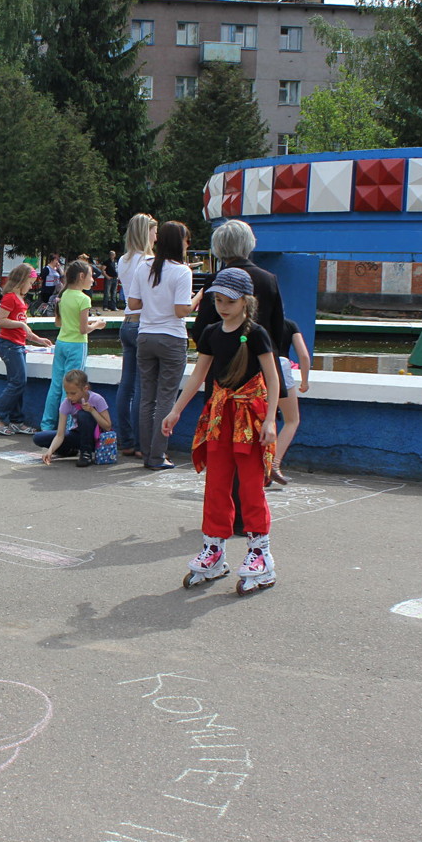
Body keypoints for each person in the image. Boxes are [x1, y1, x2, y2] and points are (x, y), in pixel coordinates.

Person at [161, 268, 280, 595]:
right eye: (218, 300)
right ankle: (213, 548)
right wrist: (176, 410)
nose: (223, 306)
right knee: (216, 485)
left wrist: (270, 420)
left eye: (230, 301)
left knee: (251, 486)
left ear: (245, 301)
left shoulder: (256, 334)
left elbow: (273, 379)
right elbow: (198, 375)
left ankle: (261, 554)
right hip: (219, 418)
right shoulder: (212, 333)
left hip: (249, 420)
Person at [192, 219, 289, 407]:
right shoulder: (269, 279)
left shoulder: (216, 281)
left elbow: (201, 330)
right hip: (259, 374)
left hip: (223, 373)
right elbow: (278, 328)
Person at [127, 220, 195, 470]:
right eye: (187, 240)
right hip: (172, 338)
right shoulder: (182, 271)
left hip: (146, 336)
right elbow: (181, 310)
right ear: (180, 242)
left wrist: (153, 301)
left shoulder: (144, 266)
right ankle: (158, 456)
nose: (188, 245)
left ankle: (147, 453)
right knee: (166, 398)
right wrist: (197, 299)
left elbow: (133, 304)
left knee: (147, 398)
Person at [0, 264, 53, 436]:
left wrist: (38, 339)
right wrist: (21, 325)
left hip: (18, 345)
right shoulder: (10, 298)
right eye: (30, 283)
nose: (31, 286)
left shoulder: (20, 300)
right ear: (21, 281)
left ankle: (16, 421)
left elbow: (22, 328)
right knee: (18, 382)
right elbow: (0, 321)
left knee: (18, 383)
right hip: (9, 345)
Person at [40, 258, 105, 430]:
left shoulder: (63, 295)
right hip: (77, 345)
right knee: (72, 387)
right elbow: (83, 329)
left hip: (62, 343)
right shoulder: (84, 299)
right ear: (82, 276)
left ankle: (47, 425)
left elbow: (59, 323)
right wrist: (97, 325)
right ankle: (67, 427)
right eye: (91, 276)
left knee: (56, 385)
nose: (93, 280)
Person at [113, 214, 157, 460]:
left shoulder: (123, 260)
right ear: (145, 233)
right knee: (143, 386)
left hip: (127, 323)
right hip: (143, 322)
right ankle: (141, 442)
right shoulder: (149, 261)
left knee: (126, 384)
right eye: (154, 232)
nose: (156, 237)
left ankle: (126, 440)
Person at [35, 369, 112, 467]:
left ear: (85, 389)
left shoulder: (97, 399)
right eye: (67, 393)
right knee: (38, 438)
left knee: (83, 414)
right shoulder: (66, 403)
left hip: (95, 438)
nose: (69, 397)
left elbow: (108, 427)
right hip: (78, 435)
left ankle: (86, 454)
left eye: (73, 393)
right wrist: (50, 451)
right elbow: (60, 435)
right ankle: (70, 451)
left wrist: (92, 411)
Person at [271, 317, 311, 486]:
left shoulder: (254, 323)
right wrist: (304, 381)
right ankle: (274, 463)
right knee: (292, 420)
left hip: (258, 368)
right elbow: (303, 355)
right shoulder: (289, 325)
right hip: (281, 367)